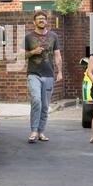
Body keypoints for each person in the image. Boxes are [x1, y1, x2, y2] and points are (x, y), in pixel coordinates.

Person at [24, 10, 63, 143]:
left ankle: (41, 131)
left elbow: (57, 55)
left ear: (46, 21)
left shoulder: (53, 36)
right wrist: (33, 52)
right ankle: (33, 130)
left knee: (45, 105)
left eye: (43, 19)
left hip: (48, 75)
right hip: (33, 74)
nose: (42, 20)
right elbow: (22, 55)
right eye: (39, 19)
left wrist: (60, 71)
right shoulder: (28, 37)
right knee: (36, 100)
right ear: (34, 22)